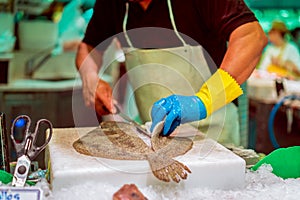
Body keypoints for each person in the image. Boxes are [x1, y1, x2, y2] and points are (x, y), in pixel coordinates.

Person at [76, 0, 267, 145]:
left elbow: (252, 36)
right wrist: (91, 78)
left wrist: (203, 101)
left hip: (215, 137)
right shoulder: (113, 4)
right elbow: (88, 48)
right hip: (157, 140)